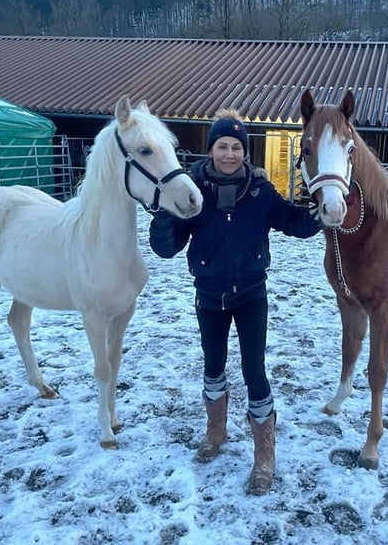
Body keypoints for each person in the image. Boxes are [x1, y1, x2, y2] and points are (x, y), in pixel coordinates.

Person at [149, 108, 320, 495]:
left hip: (250, 297)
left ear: (245, 151)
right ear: (212, 150)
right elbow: (166, 249)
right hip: (208, 297)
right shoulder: (192, 193)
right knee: (213, 367)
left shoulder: (260, 192)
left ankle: (264, 456)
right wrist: (162, 218)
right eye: (222, 146)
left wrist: (321, 208)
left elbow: (294, 223)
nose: (229, 154)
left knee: (254, 370)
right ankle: (216, 433)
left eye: (236, 147)